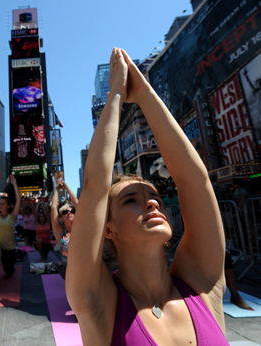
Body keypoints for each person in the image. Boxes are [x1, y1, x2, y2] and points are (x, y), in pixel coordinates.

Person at [66, 48, 228, 345]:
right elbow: (95, 187)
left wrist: (145, 93)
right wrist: (115, 92)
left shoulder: (202, 284)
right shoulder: (98, 303)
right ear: (108, 228)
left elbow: (194, 180)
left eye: (154, 196)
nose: (152, 202)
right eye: (130, 200)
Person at [0, 173, 21, 293]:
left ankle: (10, 268)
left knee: (9, 271)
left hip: (10, 251)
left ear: (8, 206)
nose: (0, 205)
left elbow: (18, 200)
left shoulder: (12, 216)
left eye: (3, 204)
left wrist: (14, 184)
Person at [51, 180, 78, 280]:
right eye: (65, 212)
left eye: (72, 211)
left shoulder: (82, 229)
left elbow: (78, 205)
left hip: (86, 268)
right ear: (61, 217)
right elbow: (53, 208)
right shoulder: (60, 233)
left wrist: (66, 187)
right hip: (68, 270)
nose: (69, 213)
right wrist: (56, 190)